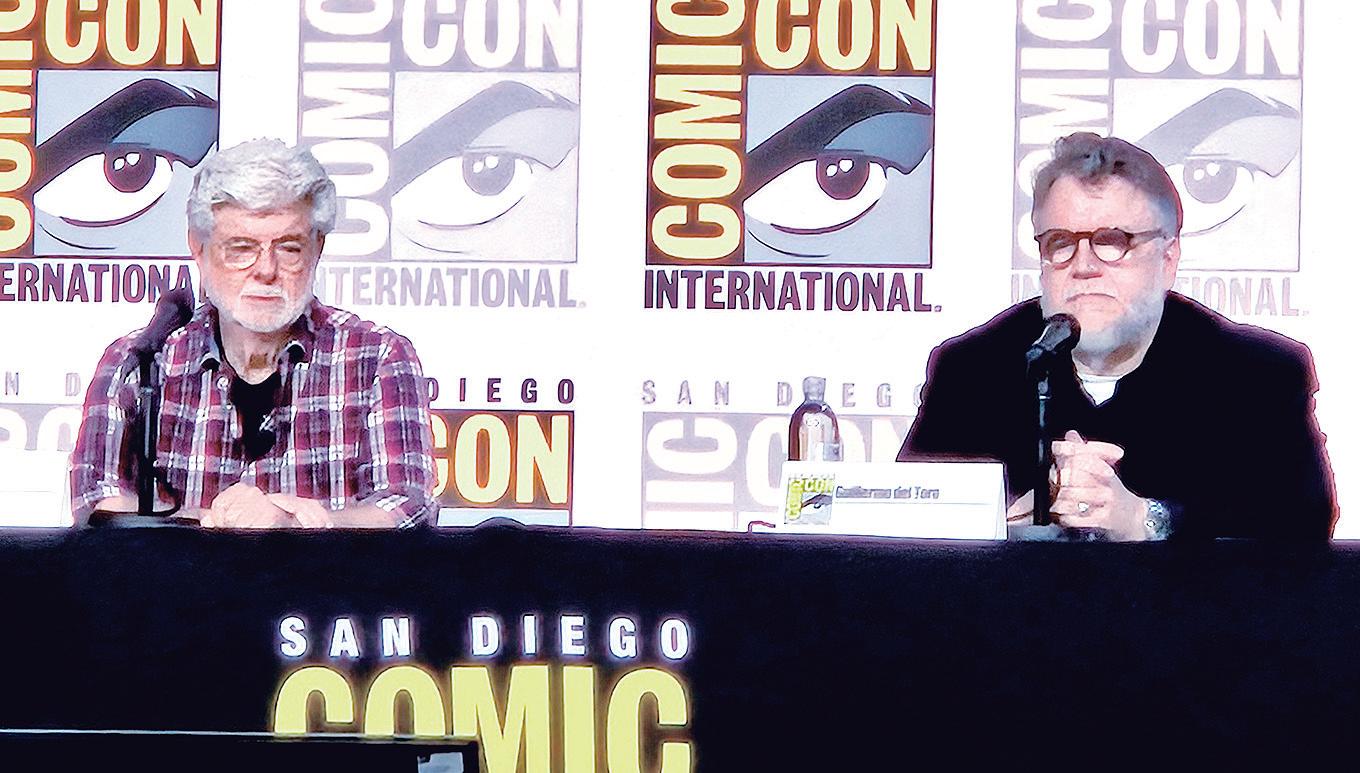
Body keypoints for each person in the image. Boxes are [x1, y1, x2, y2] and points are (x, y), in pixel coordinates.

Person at [898, 132, 1335, 540]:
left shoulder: (1255, 373)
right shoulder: (972, 368)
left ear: (1168, 259)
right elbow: (906, 518)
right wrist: (1001, 522)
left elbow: (1303, 521)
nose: (1084, 265)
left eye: (1112, 240)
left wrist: (1145, 520)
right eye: (1060, 243)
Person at [70, 139, 437, 528]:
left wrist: (292, 526)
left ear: (317, 248)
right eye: (241, 248)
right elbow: (95, 500)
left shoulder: (377, 357)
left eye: (289, 248)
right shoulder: (140, 360)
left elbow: (406, 508)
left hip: (327, 571)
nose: (266, 270)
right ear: (198, 247)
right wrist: (219, 524)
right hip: (179, 570)